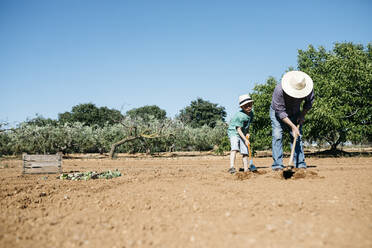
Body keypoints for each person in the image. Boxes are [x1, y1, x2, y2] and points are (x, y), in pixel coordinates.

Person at [270, 70, 315, 170]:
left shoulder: (307, 88)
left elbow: (309, 103)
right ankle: (277, 165)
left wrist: (302, 115)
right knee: (277, 135)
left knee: (297, 136)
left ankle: (300, 163)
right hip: (278, 113)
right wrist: (293, 126)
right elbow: (280, 112)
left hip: (295, 112)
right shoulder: (279, 90)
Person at [227, 94, 255, 174]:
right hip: (234, 132)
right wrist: (245, 139)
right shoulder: (239, 116)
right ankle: (232, 167)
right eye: (246, 106)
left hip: (243, 132)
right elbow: (238, 129)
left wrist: (247, 133)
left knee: (245, 150)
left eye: (249, 105)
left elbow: (247, 125)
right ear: (241, 107)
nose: (248, 107)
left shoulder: (251, 114)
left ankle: (246, 169)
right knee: (235, 148)